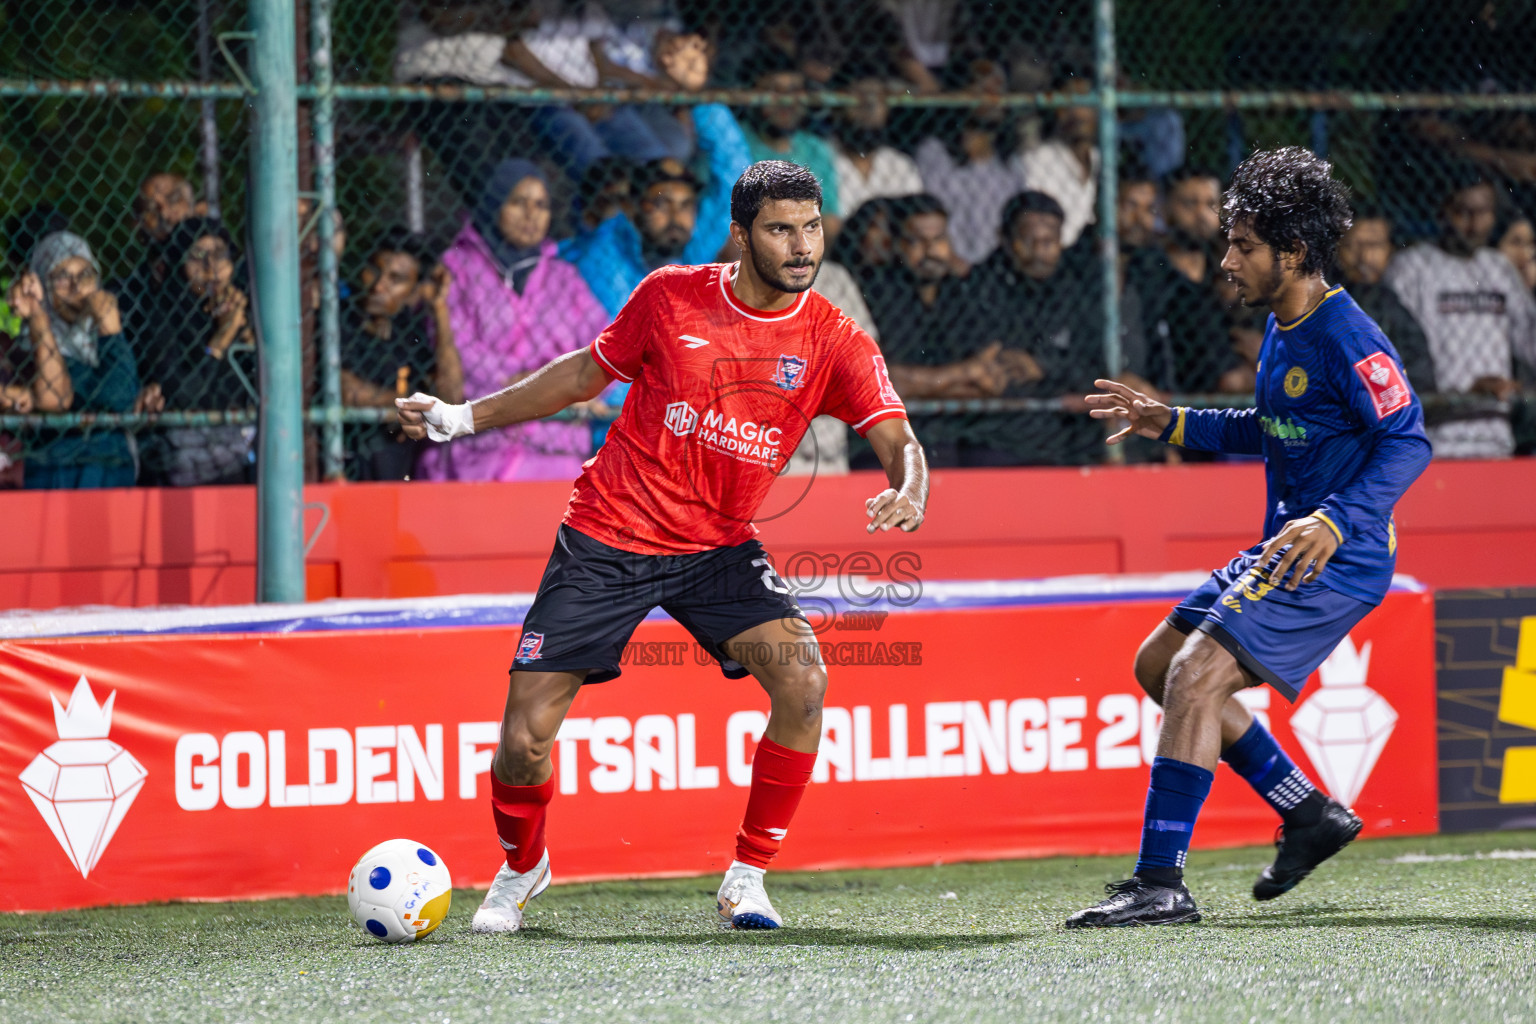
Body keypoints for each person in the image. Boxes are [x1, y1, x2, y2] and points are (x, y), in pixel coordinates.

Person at [396, 160, 924, 934]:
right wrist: (460, 418)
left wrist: (909, 486)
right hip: (608, 530)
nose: (802, 245)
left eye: (811, 228)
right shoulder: (670, 294)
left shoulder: (836, 339)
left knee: (803, 684)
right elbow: (582, 374)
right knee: (523, 739)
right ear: (740, 236)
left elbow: (896, 434)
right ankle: (521, 865)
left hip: (717, 546)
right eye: (781, 229)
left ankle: (747, 878)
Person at [1069, 148, 1432, 927]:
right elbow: (1274, 429)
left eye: (1243, 246)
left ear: (1293, 254)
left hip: (1338, 553)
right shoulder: (1283, 321)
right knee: (1160, 663)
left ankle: (1159, 883)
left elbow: (1407, 439)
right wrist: (1172, 421)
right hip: (1283, 544)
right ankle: (1308, 814)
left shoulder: (1348, 336)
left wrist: (1335, 518)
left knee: (1196, 675)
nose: (1226, 259)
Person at [417, 160, 608, 483]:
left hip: (555, 451)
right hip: (479, 449)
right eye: (518, 202)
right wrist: (535, 383)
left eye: (541, 205)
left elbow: (606, 345)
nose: (531, 215)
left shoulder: (565, 279)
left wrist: (570, 386)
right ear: (494, 204)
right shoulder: (457, 268)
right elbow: (456, 348)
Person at [1383, 176, 1536, 458]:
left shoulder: (1499, 269)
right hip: (1435, 431)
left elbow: (1528, 343)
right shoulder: (1413, 268)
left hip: (1496, 431)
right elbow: (1395, 349)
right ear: (1443, 212)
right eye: (1463, 211)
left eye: (1484, 212)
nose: (1474, 223)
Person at [862, 193, 1018, 466]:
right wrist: (966, 372)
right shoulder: (878, 293)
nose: (931, 250)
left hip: (963, 427)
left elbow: (992, 380)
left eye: (939, 240)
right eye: (917, 241)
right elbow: (885, 384)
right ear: (897, 245)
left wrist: (920, 384)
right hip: (897, 430)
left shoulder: (963, 292)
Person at [969, 191, 1101, 465]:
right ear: (1004, 239)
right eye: (1028, 242)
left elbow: (1094, 361)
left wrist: (1044, 367)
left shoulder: (1072, 285)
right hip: (999, 434)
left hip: (1065, 435)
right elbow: (998, 365)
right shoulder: (980, 285)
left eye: (1049, 241)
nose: (1040, 251)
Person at [6, 232, 142, 489]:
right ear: (42, 283)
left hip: (113, 473)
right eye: (62, 277)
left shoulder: (100, 336)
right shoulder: (28, 347)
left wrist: (109, 333)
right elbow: (118, 398)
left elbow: (121, 397)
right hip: (59, 474)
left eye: (86, 275)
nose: (77, 287)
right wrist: (111, 332)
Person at [137, 218, 259, 487]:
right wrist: (220, 339)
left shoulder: (248, 311)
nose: (210, 268)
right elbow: (182, 395)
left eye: (220, 257)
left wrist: (246, 334)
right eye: (197, 257)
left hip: (243, 457)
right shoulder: (162, 317)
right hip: (183, 461)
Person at [341, 228, 463, 481]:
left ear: (414, 291)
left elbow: (451, 396)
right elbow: (346, 391)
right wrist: (413, 405)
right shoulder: (339, 320)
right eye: (374, 271)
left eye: (396, 279)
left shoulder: (409, 332)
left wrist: (439, 308)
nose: (379, 285)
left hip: (394, 468)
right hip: (342, 461)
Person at [1333, 207, 1437, 395]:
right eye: (1352, 245)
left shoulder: (1393, 307)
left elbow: (1421, 375)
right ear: (1337, 249)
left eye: (1374, 245)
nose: (1364, 257)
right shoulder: (1318, 300)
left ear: (1390, 250)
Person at [738, 53, 842, 230]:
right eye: (774, 90)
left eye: (794, 90)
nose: (786, 100)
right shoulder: (734, 141)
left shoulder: (815, 149)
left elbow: (830, 218)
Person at [1014, 73, 1099, 248]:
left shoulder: (1099, 158)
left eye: (1085, 102)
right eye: (1069, 103)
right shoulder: (1036, 161)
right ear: (1056, 111)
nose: (1078, 112)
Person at [828, 77, 925, 219]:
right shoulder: (819, 158)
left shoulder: (900, 165)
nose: (869, 108)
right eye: (860, 96)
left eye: (877, 98)